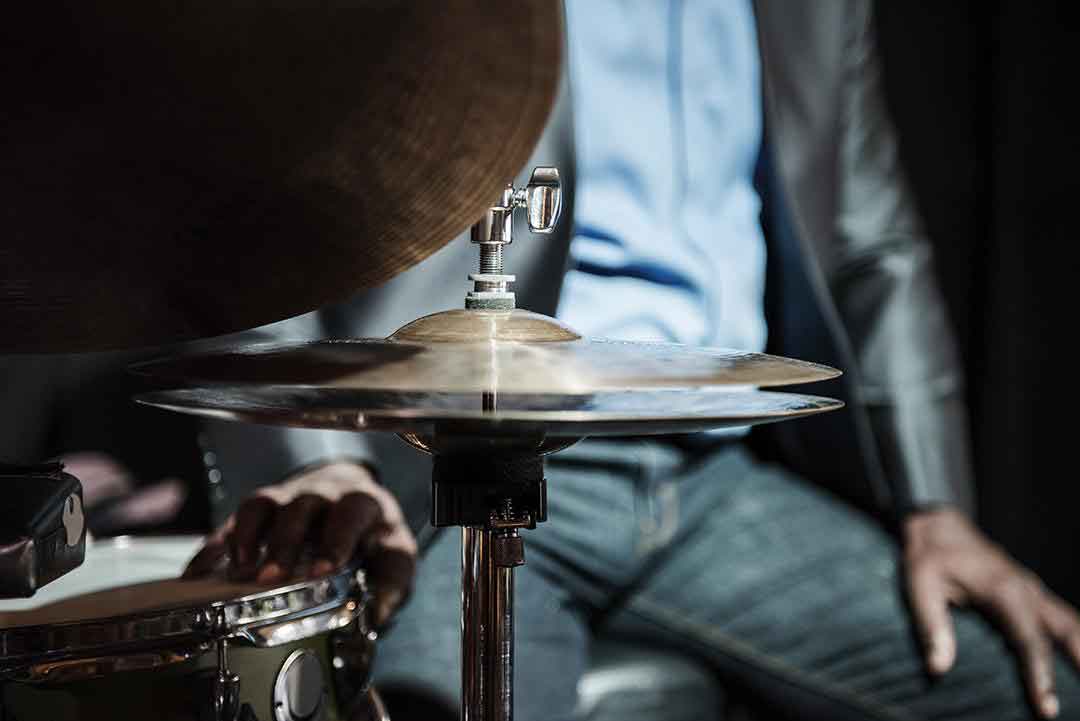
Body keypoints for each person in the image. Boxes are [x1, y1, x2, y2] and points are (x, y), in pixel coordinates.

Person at [9, 2, 1076, 720]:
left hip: (717, 480)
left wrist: (938, 508)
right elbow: (253, 208)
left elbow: (869, 241)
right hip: (452, 466)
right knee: (435, 706)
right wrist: (311, 461)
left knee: (1032, 690)